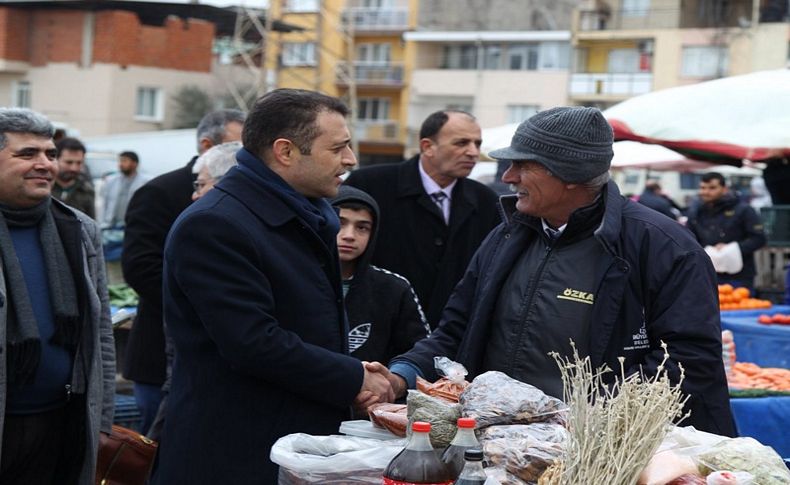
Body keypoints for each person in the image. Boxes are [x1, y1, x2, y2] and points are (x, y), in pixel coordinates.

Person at [375, 107, 736, 437]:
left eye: (524, 165)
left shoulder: (663, 247)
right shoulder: (506, 237)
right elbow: (455, 330)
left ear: (570, 176)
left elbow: (685, 365)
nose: (509, 176)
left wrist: (576, 420)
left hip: (608, 451)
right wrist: (400, 376)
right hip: (503, 444)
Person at [151, 89, 394, 484]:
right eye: (339, 148)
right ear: (285, 152)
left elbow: (307, 322)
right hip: (234, 452)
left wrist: (350, 370)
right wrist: (351, 378)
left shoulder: (308, 213)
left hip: (292, 440)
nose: (350, 161)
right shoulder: (216, 224)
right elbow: (252, 342)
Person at [0, 108, 115, 484]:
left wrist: (101, 419)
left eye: (50, 153)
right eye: (27, 154)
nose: (44, 164)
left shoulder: (78, 229)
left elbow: (100, 332)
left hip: (61, 422)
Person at [121, 109, 245, 437]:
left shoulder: (250, 196)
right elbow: (140, 267)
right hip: (159, 353)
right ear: (207, 144)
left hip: (223, 358)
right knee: (152, 452)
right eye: (239, 145)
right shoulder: (160, 192)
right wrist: (204, 302)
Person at [345, 110, 500, 328]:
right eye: (461, 143)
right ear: (427, 146)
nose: (473, 152)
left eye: (477, 143)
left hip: (449, 333)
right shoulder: (370, 184)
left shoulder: (486, 201)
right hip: (374, 326)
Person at [330, 185, 430, 364]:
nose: (349, 235)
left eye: (362, 227)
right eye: (340, 223)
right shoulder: (293, 278)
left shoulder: (393, 288)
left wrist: (393, 378)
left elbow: (421, 352)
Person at [686, 172, 766, 290]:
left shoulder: (744, 210)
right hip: (708, 273)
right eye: (703, 188)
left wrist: (731, 249)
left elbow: (759, 238)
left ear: (724, 189)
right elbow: (689, 238)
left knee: (741, 306)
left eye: (712, 188)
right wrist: (708, 249)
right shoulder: (696, 211)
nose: (706, 192)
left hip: (740, 274)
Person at [100, 151, 148, 229]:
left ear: (134, 164)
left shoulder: (145, 182)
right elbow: (104, 204)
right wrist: (101, 223)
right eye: (120, 161)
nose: (120, 164)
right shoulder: (110, 181)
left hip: (132, 226)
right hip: (110, 226)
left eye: (124, 161)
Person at [52, 137, 95, 218]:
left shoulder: (86, 190)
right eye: (69, 162)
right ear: (55, 159)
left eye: (79, 163)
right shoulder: (44, 187)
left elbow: (90, 224)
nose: (74, 168)